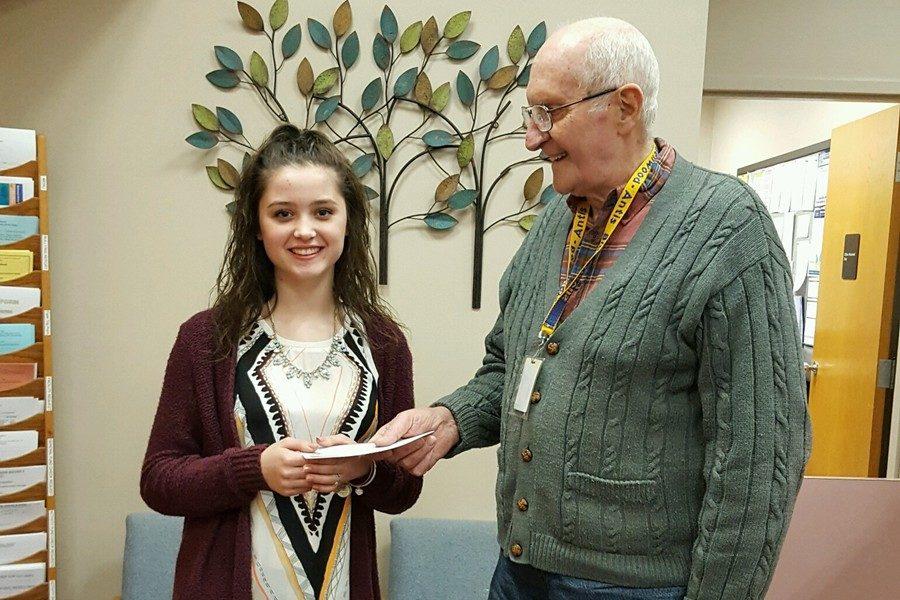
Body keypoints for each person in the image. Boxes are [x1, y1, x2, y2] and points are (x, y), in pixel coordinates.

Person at [372, 17, 811, 600]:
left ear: (626, 107)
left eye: (550, 112)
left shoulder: (728, 229)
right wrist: (448, 421)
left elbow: (759, 456)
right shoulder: (557, 217)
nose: (532, 138)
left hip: (637, 590)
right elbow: (509, 367)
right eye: (531, 114)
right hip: (520, 570)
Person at [141, 125, 421, 600]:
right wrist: (255, 469)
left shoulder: (384, 344)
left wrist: (363, 471)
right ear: (256, 224)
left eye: (323, 212)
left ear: (348, 221)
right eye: (283, 213)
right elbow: (160, 480)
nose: (305, 230)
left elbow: (403, 489)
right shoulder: (205, 339)